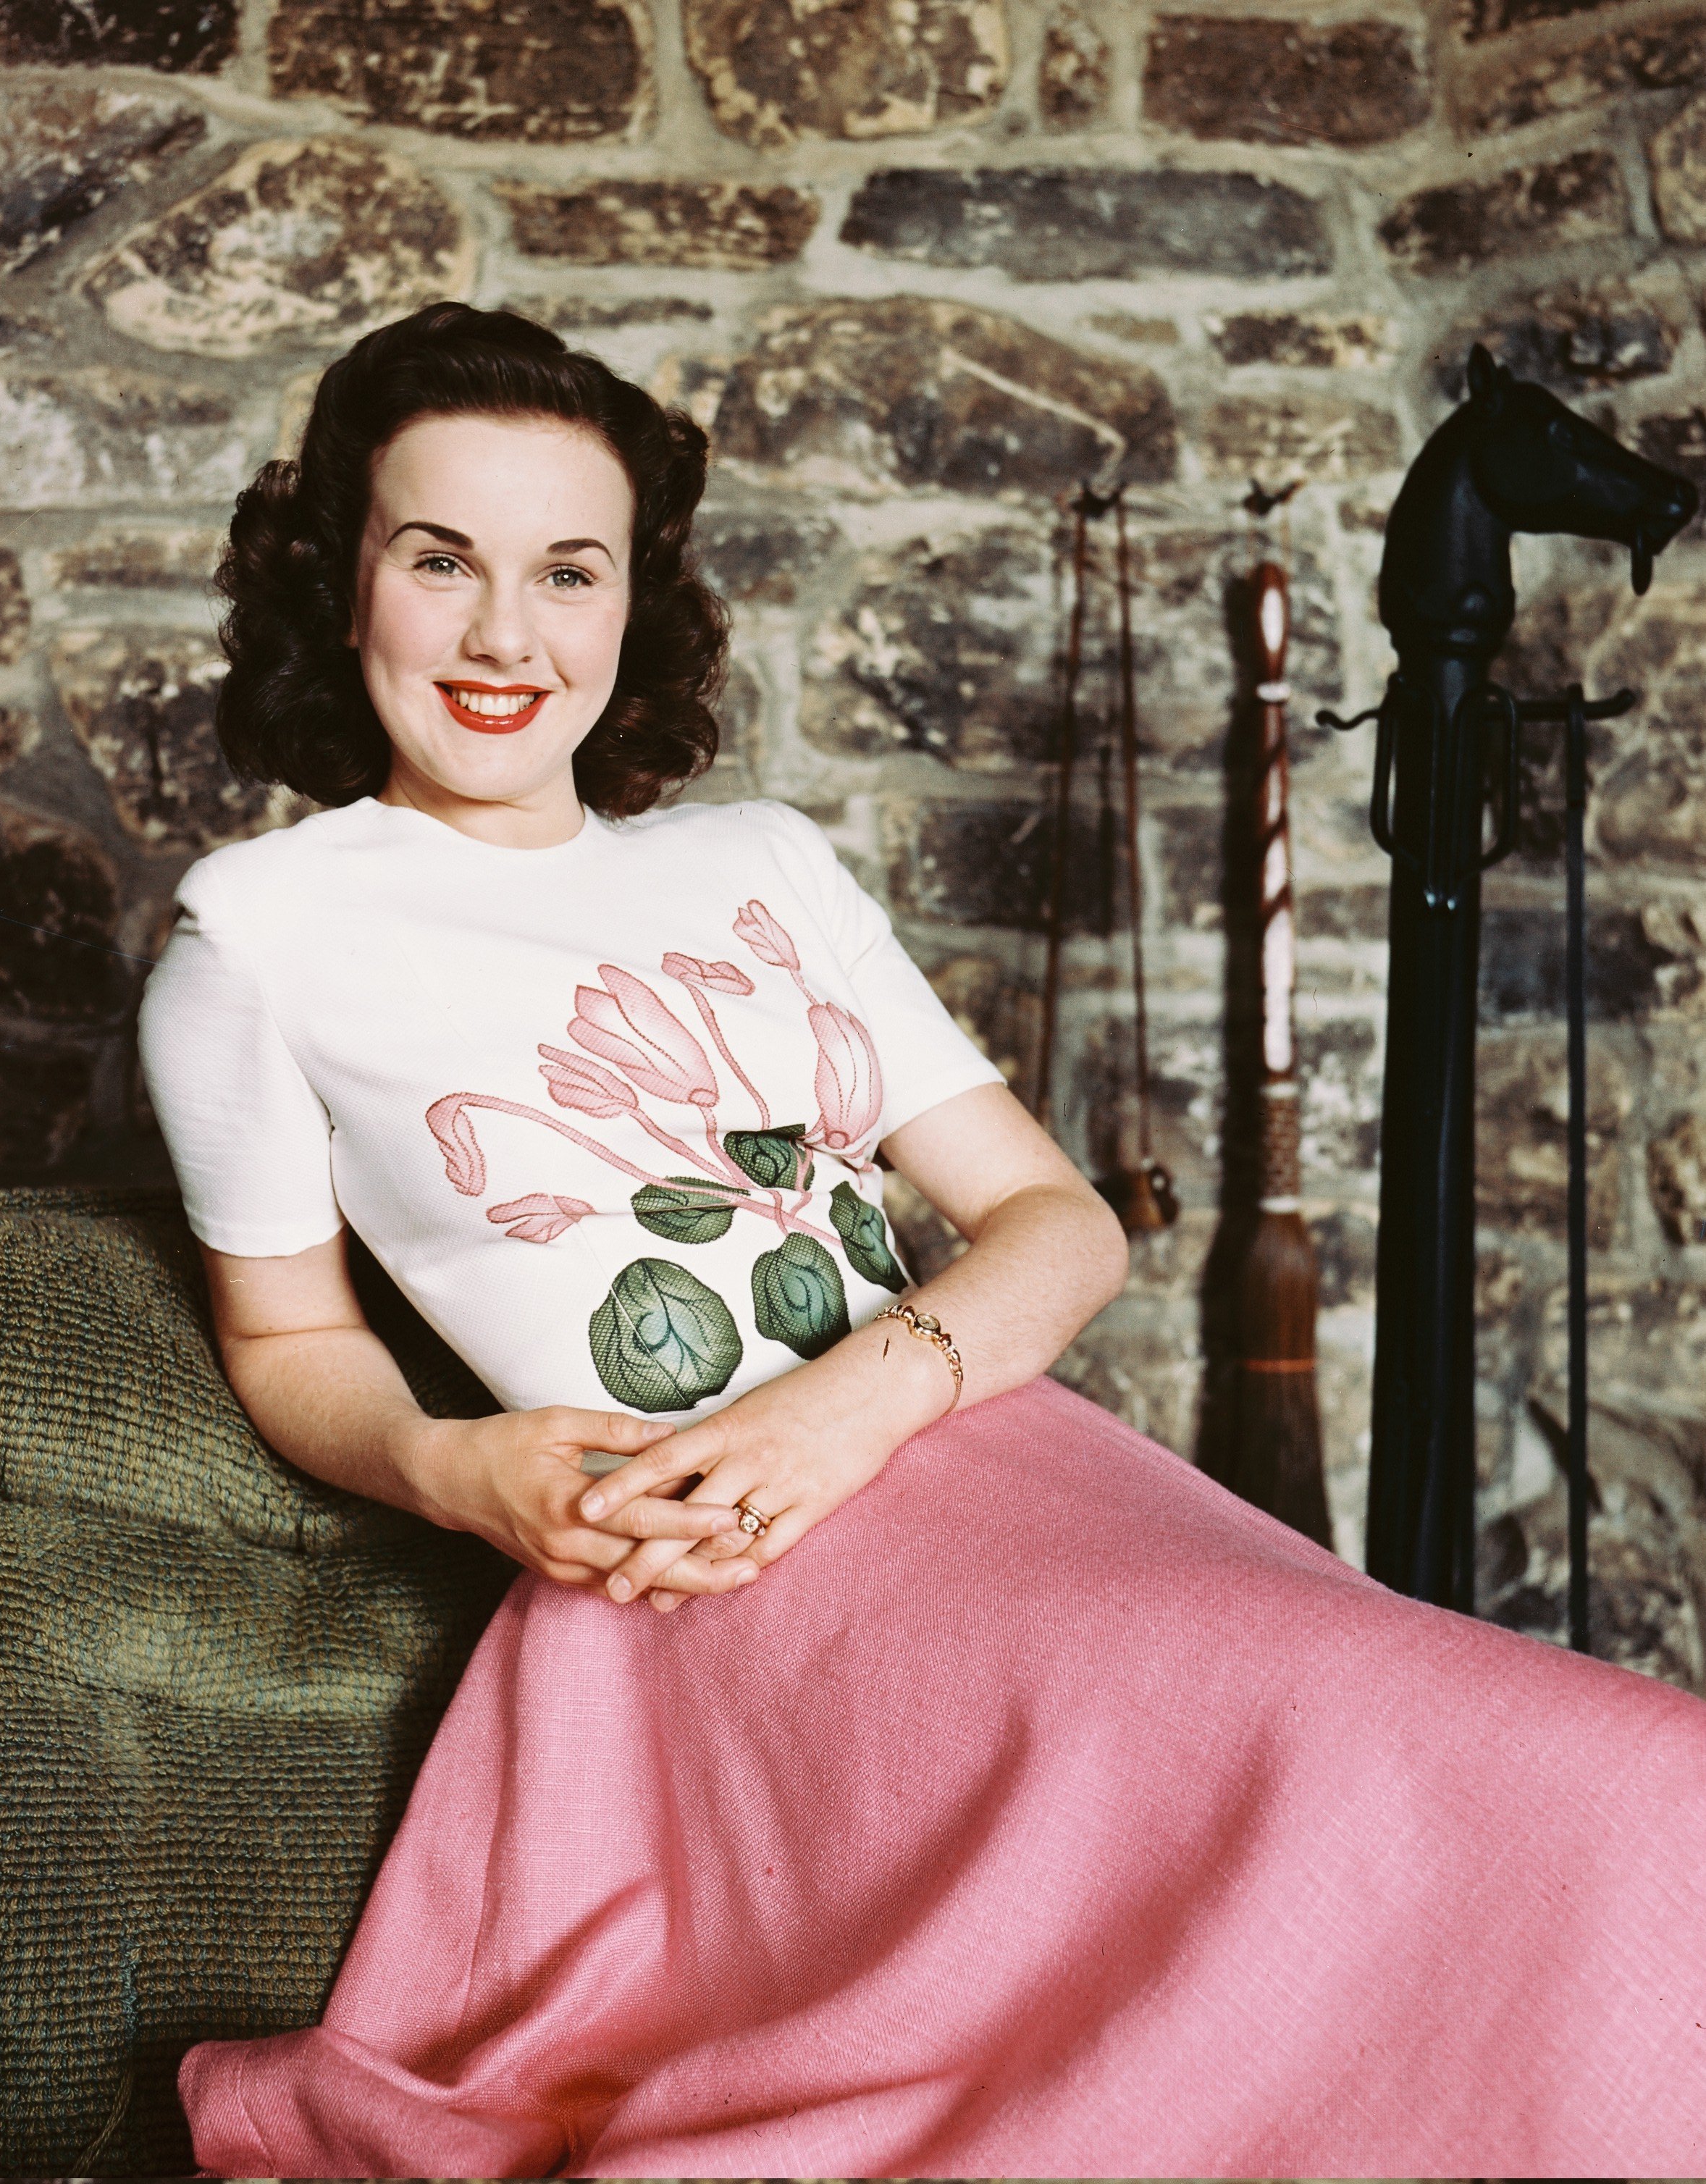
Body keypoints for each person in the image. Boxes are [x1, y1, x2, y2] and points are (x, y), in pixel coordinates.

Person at [140, 302, 1706, 2178]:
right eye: (439, 560)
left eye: (570, 569)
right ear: (342, 584)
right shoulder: (258, 939)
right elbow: (286, 1344)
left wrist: (856, 1402)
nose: (506, 635)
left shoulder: (757, 864)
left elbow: (1053, 1223)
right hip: (721, 1585)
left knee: (1624, 1780)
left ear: (635, 602)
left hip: (1001, 1464)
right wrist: (452, 1462)